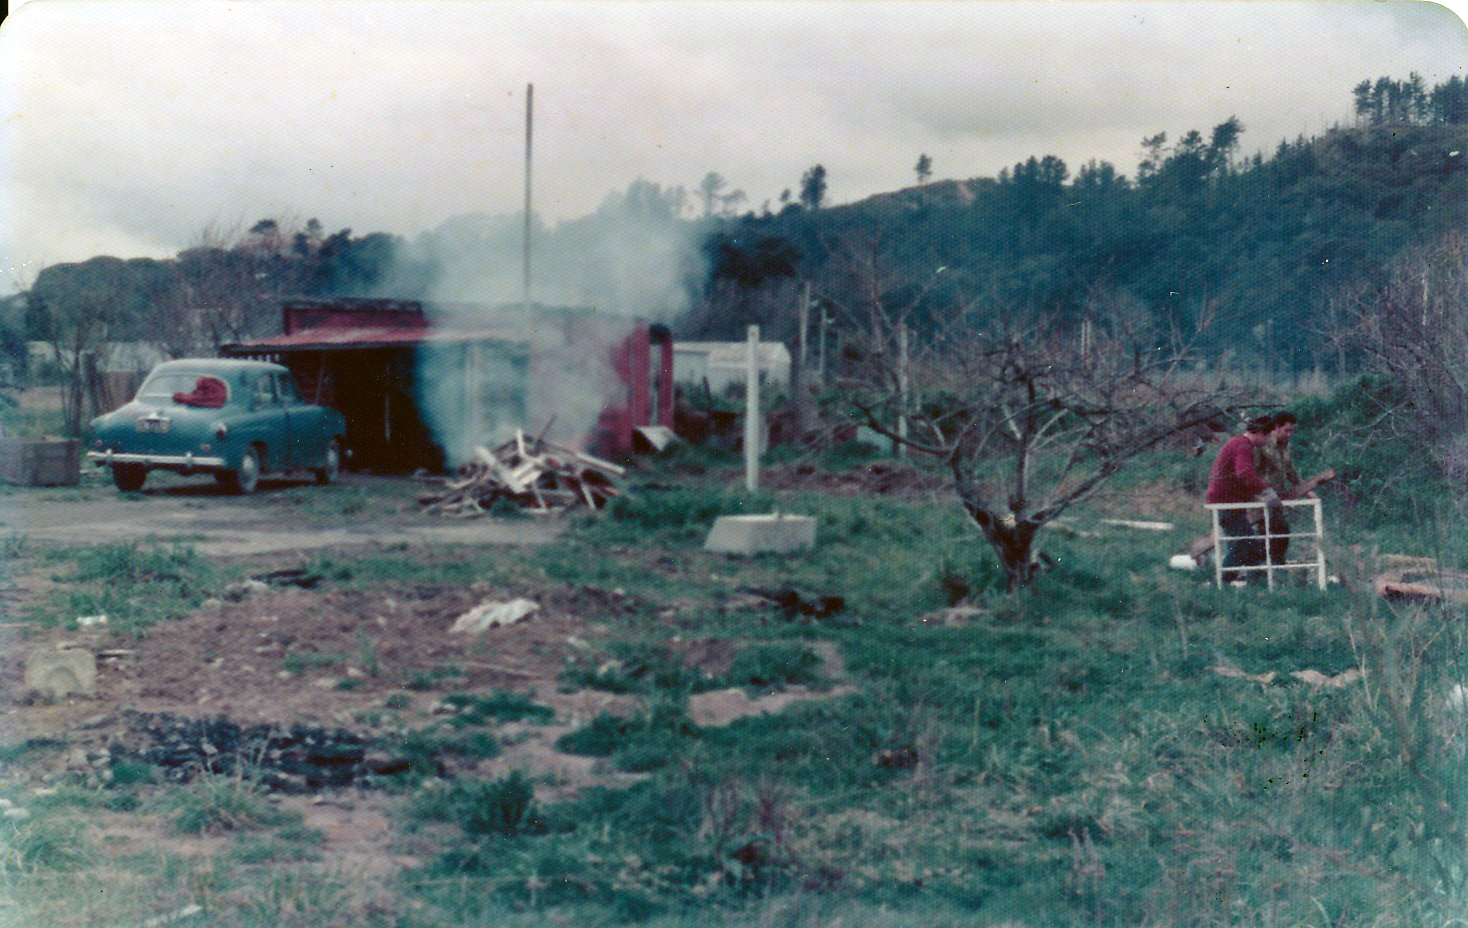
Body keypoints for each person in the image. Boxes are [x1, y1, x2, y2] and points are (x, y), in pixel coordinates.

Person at [1206, 414, 1283, 582]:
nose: (1267, 440)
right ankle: (1220, 582)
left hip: (1228, 500)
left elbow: (1238, 476)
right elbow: (1244, 473)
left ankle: (1257, 586)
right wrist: (1266, 492)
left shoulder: (1238, 443)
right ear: (1261, 433)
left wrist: (1253, 495)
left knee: (1249, 545)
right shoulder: (1243, 445)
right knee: (1244, 544)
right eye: (1268, 435)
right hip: (1226, 502)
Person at [1255, 410, 1310, 565]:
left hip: (1278, 498)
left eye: (1291, 430)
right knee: (1269, 535)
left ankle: (1276, 569)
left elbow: (1290, 470)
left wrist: (1305, 488)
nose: (1289, 434)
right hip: (1262, 498)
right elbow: (1252, 470)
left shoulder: (1284, 445)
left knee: (1281, 534)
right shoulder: (1263, 443)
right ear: (1276, 428)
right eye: (1286, 430)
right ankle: (1261, 572)